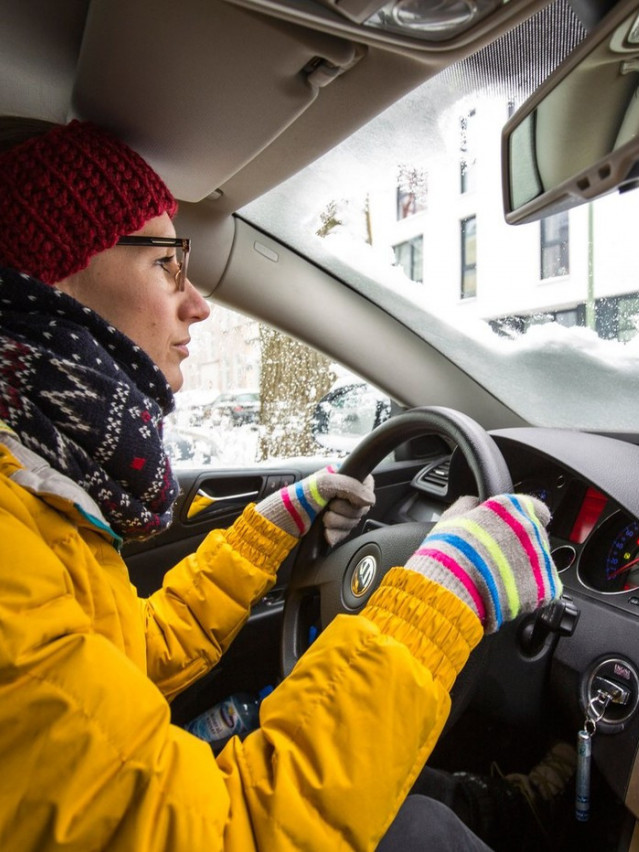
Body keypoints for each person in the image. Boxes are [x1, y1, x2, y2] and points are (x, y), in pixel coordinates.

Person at [0, 118, 563, 851]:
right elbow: (231, 836)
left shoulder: (36, 491)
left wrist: (266, 532)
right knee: (424, 832)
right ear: (53, 276)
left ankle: (519, 809)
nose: (196, 302)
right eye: (167, 263)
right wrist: (436, 601)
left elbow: (129, 658)